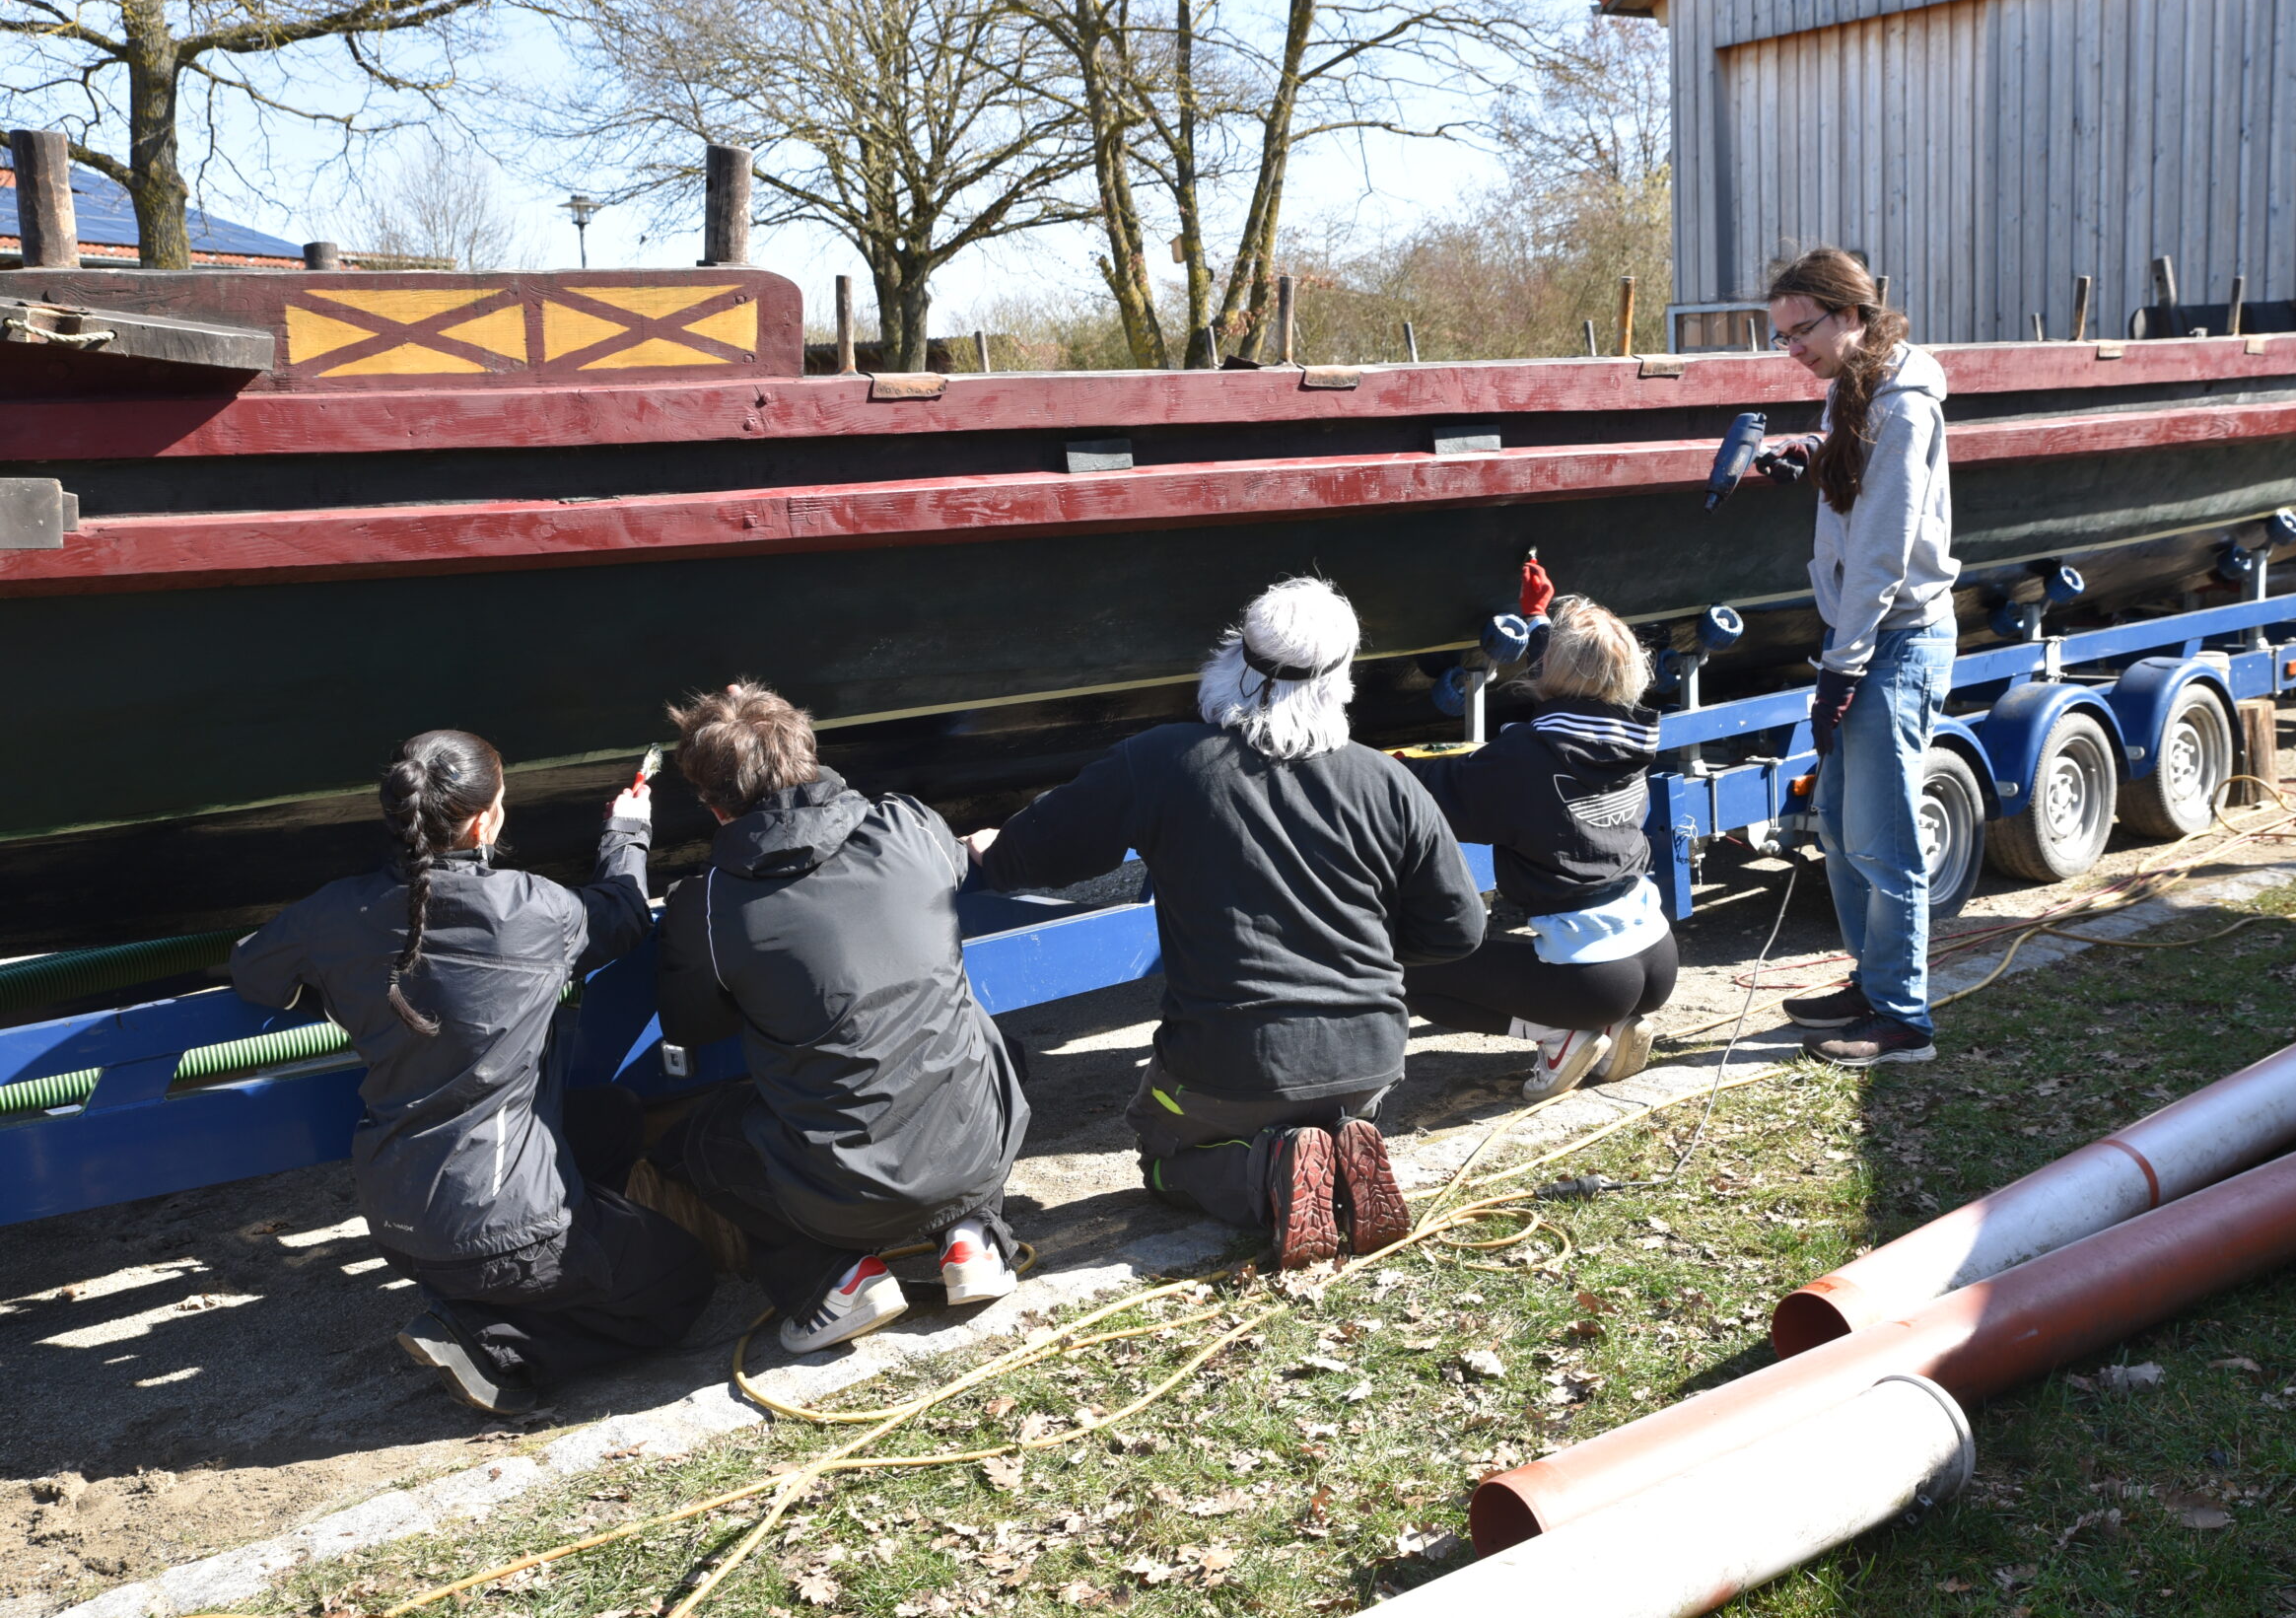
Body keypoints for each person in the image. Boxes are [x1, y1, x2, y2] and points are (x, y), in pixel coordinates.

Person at [970, 578, 1488, 1270]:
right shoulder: (1389, 781)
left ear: (1234, 658)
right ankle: (1330, 1147)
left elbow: (1030, 855)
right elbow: (1459, 929)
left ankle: (1271, 1174)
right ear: (1342, 679)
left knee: (1158, 1152)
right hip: (1369, 1059)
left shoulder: (1162, 760)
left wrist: (990, 849)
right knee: (1311, 1109)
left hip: (1227, 1068)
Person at [231, 731, 713, 1416]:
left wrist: (350, 988)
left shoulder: (332, 912)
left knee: (613, 1118)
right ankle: (494, 1340)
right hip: (501, 1227)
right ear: (487, 818)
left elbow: (252, 968)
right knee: (684, 1281)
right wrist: (627, 831)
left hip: (395, 1214)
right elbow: (625, 913)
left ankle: (516, 1281)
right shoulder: (536, 912)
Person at [651, 681, 1030, 1355]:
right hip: (978, 1150)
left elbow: (692, 1023)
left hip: (845, 1192)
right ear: (809, 752)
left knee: (704, 1140)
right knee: (981, 1038)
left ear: (713, 807)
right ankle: (974, 1235)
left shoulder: (706, 907)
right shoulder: (911, 825)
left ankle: (833, 1279)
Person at [1763, 246, 1961, 1066]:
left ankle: (1904, 1019)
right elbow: (1862, 484)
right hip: (1865, 640)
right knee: (1841, 830)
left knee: (1885, 840)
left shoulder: (1903, 405)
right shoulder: (1857, 393)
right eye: (1779, 336)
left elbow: (1882, 546)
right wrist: (1811, 461)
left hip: (1894, 641)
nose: (1791, 350)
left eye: (1800, 330)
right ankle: (1872, 982)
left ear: (1851, 314)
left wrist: (1843, 665)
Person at [1400, 594, 1678, 1099]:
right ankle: (1615, 1029)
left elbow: (1438, 789)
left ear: (1557, 668)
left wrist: (1372, 766)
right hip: (1657, 956)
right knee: (1578, 981)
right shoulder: (1632, 739)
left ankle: (1560, 1035)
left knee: (1410, 974)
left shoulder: (1529, 756)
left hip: (1592, 978)